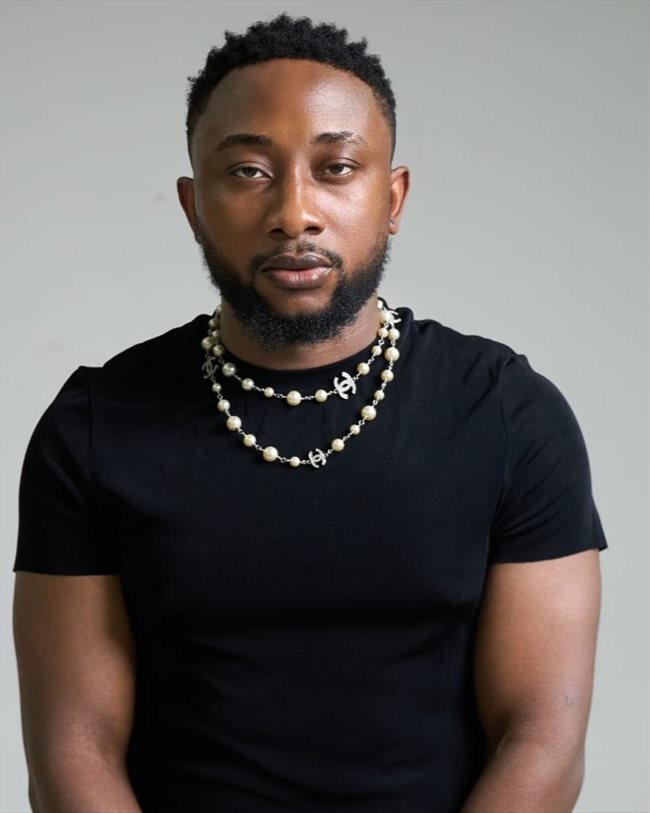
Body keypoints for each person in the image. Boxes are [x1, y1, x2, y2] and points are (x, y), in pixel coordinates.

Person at [13, 13, 608, 813]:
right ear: (193, 205)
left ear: (392, 197)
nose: (295, 213)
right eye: (249, 171)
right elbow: (71, 750)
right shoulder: (95, 428)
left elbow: (542, 737)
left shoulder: (506, 414)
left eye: (337, 168)